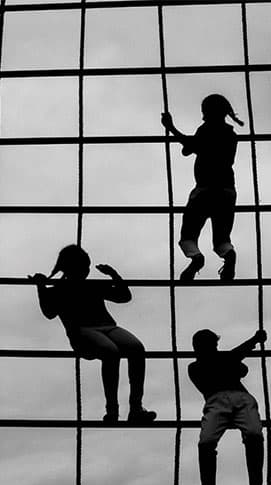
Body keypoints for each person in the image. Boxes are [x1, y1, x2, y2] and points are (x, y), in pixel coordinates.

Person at [28, 244, 156, 424]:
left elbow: (124, 297)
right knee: (111, 352)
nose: (87, 271)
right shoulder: (60, 289)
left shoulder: (87, 285)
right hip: (81, 331)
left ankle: (136, 408)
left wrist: (114, 276)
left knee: (137, 348)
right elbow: (49, 312)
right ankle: (112, 410)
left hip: (106, 327)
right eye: (83, 267)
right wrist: (41, 288)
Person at [188, 328, 271, 485]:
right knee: (214, 441)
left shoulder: (200, 365)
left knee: (251, 435)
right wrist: (254, 340)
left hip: (224, 399)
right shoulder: (198, 367)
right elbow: (237, 361)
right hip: (228, 397)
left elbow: (234, 360)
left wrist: (248, 346)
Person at [160, 94, 243, 280]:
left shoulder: (206, 130)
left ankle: (196, 258)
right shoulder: (231, 135)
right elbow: (194, 148)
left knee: (187, 236)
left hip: (205, 189)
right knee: (222, 239)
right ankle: (229, 255)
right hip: (228, 190)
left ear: (207, 112)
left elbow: (190, 147)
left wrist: (171, 127)